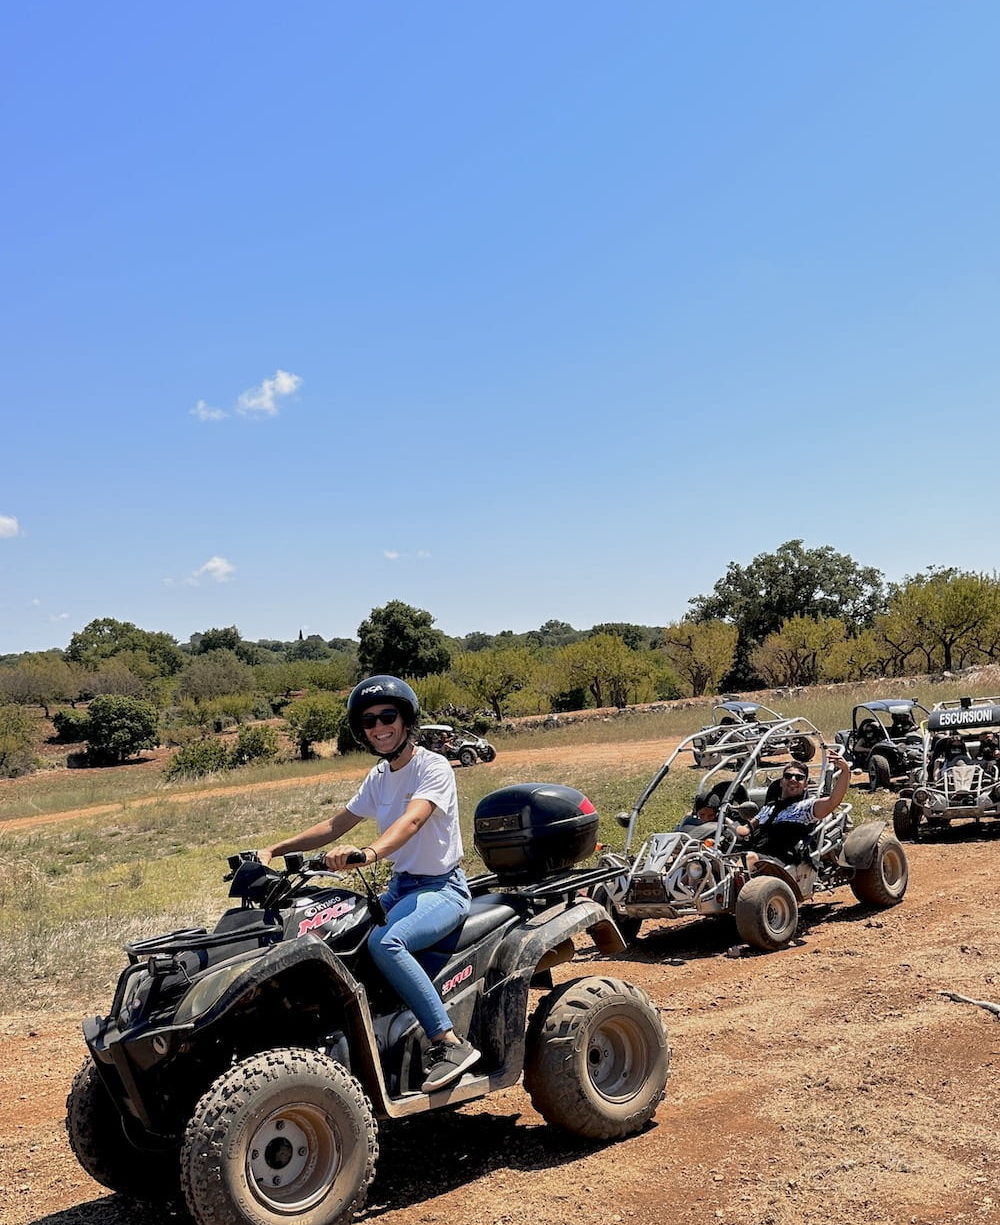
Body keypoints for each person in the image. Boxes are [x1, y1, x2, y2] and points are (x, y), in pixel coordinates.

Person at [260, 675, 478, 1093]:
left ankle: (447, 1043)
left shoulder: (432, 767)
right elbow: (335, 824)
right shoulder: (380, 776)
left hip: (442, 888)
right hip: (400, 887)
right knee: (338, 933)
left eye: (387, 716)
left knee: (386, 943)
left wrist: (369, 853)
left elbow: (412, 820)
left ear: (406, 719)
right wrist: (273, 849)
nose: (379, 727)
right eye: (369, 722)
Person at [735, 744, 852, 863]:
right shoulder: (769, 807)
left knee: (749, 858)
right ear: (781, 782)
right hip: (753, 852)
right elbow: (745, 830)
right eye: (788, 776)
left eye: (799, 777)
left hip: (779, 861)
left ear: (806, 785)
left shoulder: (806, 807)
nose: (793, 779)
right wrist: (727, 825)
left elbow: (833, 802)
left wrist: (845, 771)